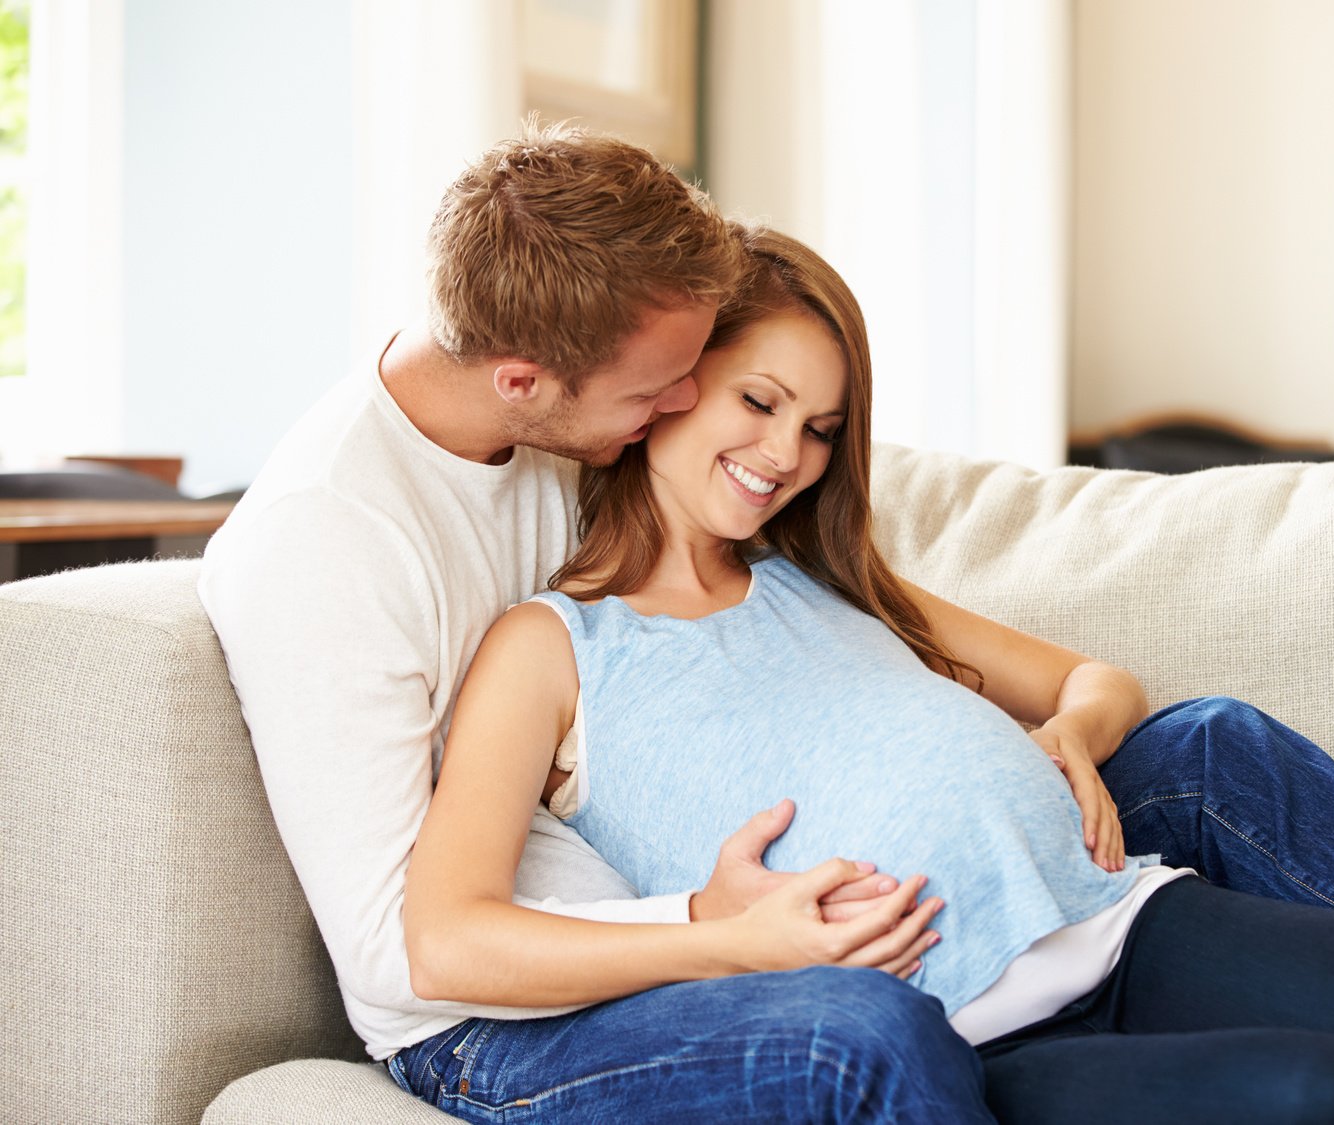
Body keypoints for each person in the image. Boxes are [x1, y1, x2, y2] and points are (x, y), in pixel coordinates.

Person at [404, 225, 1334, 1123]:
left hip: (1127, 920)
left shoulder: (831, 581)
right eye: (756, 401)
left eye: (819, 427)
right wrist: (724, 940)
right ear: (669, 389)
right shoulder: (550, 648)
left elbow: (1097, 683)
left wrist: (1071, 737)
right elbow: (448, 936)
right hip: (976, 1042)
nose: (785, 451)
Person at [199, 122, 992, 1121]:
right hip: (493, 1022)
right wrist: (712, 931)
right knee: (863, 1034)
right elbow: (409, 962)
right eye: (656, 388)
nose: (680, 402)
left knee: (1187, 762)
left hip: (677, 913)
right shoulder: (324, 547)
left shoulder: (556, 412)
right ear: (522, 380)